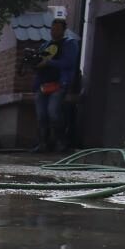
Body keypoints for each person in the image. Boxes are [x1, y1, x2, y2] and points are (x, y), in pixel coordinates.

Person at [33, 18, 80, 153]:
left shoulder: (69, 43)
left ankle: (60, 142)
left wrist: (48, 62)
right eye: (53, 29)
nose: (54, 31)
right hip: (42, 84)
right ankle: (43, 143)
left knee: (53, 112)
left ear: (64, 30)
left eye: (57, 29)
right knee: (41, 115)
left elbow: (69, 63)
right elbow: (38, 63)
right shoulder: (45, 45)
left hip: (59, 84)